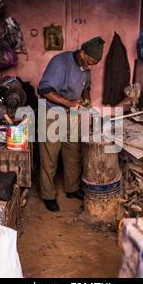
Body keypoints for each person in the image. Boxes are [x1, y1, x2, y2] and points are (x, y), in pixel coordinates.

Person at [37, 36, 105, 212]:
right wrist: (68, 103)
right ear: (81, 53)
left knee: (73, 152)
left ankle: (72, 189)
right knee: (50, 156)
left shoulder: (85, 65)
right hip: (52, 112)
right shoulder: (60, 63)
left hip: (73, 112)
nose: (90, 67)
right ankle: (48, 195)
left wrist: (86, 99)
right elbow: (43, 90)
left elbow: (86, 86)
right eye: (89, 62)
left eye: (94, 64)